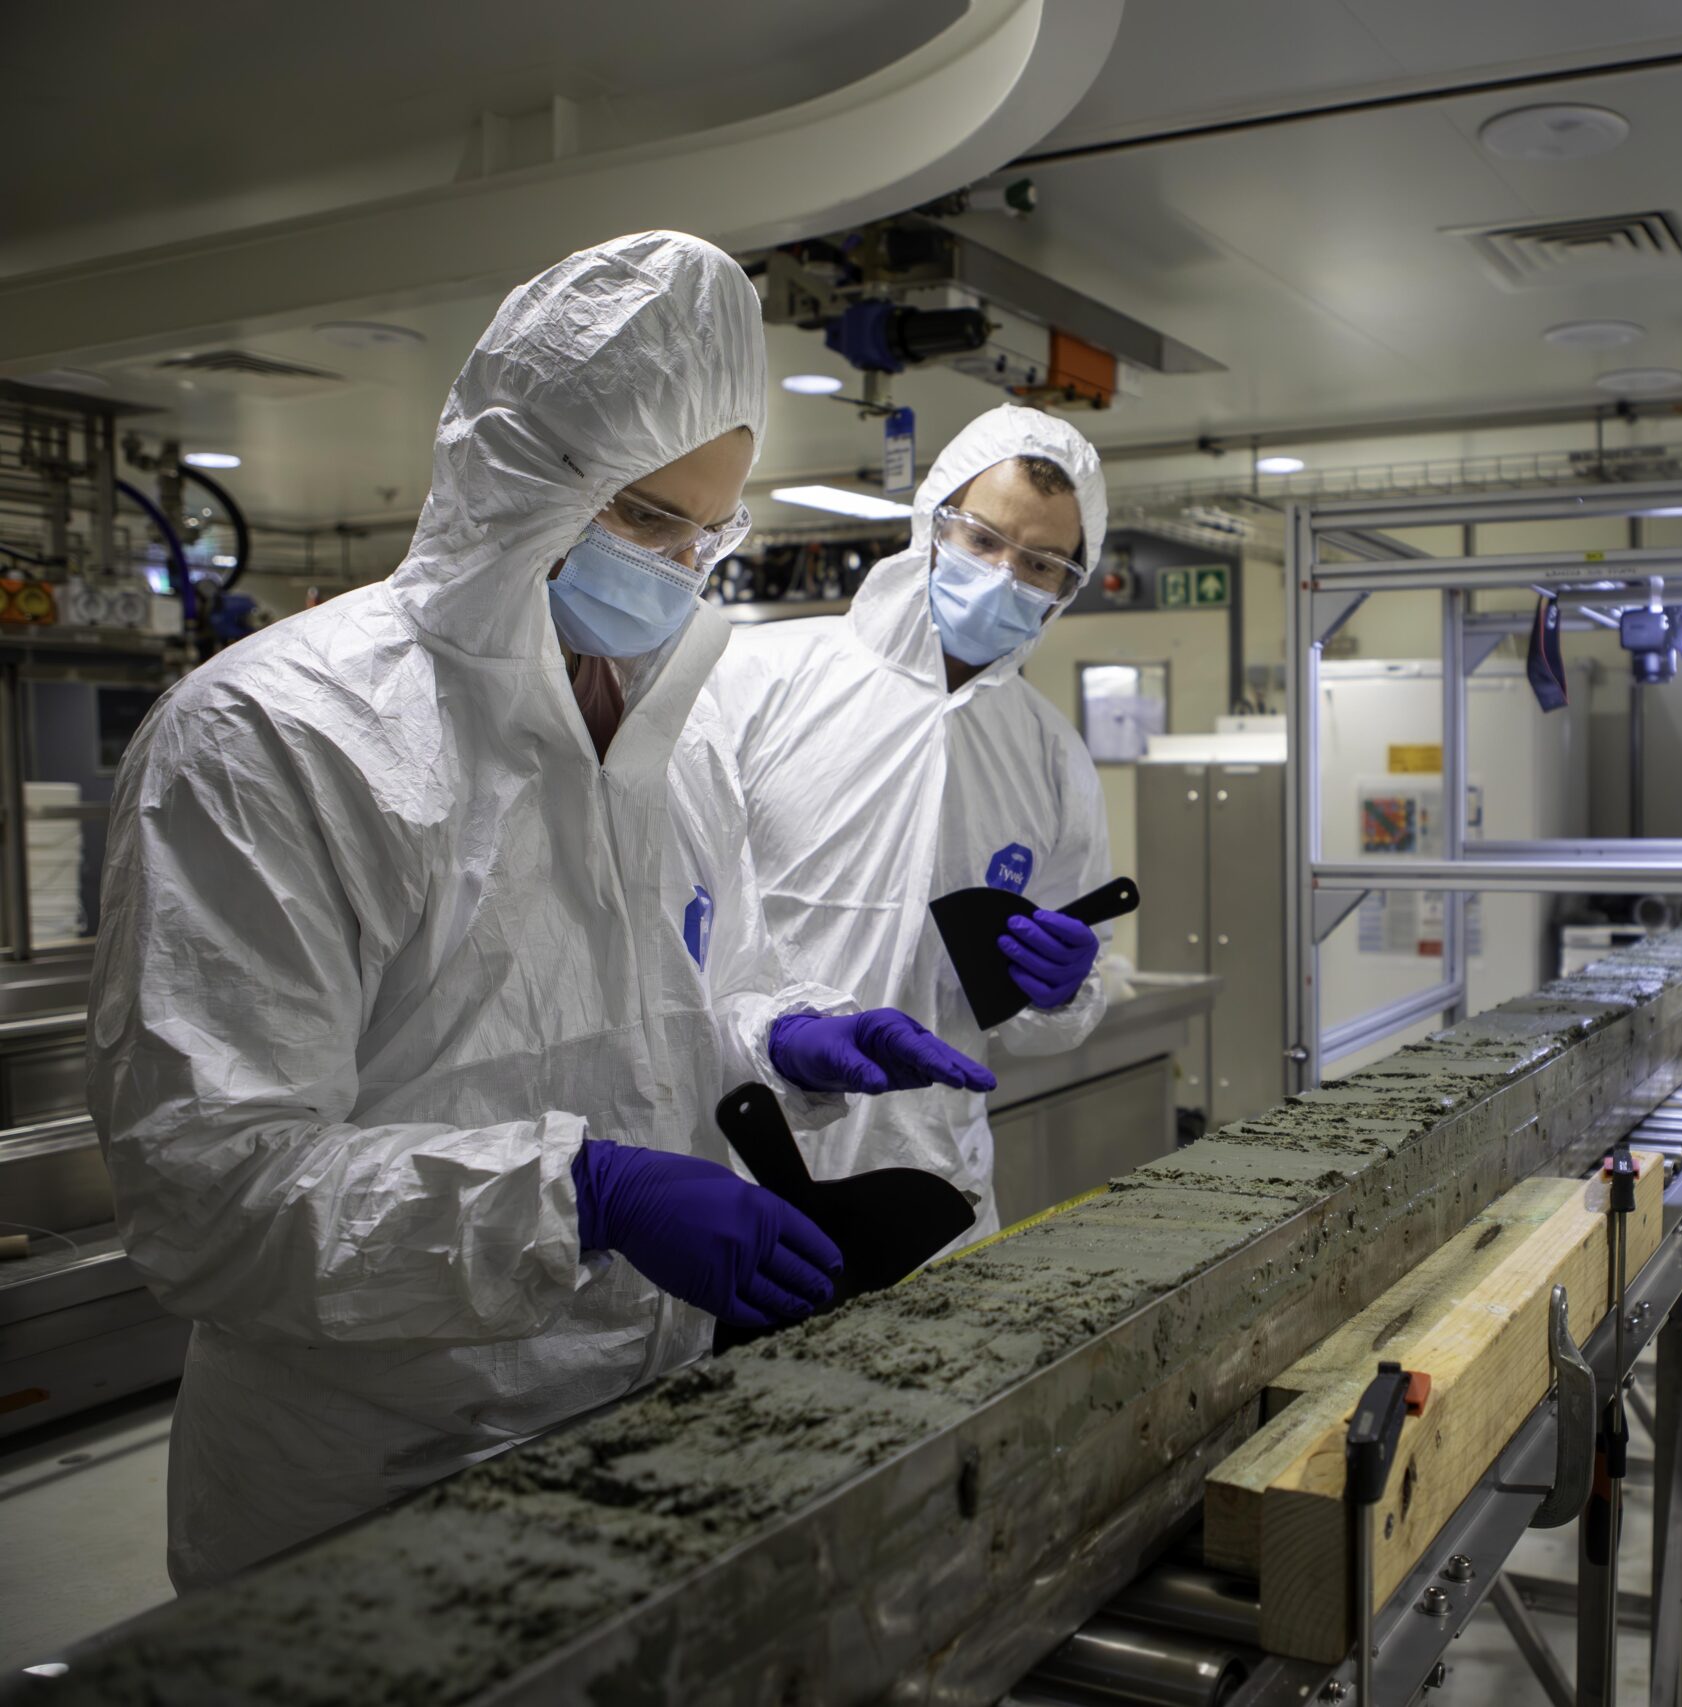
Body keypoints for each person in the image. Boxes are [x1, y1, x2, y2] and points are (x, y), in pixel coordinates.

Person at [88, 231, 985, 1590]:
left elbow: (643, 1019)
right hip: (372, 1486)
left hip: (646, 1433)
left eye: (707, 529)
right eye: (642, 518)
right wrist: (583, 1195)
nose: (679, 565)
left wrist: (779, 1041)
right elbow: (218, 1194)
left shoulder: (670, 733)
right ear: (514, 478)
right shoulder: (277, 739)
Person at [706, 405, 1113, 1247]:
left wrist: (1064, 987)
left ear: (1068, 585)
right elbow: (666, 928)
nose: (1005, 575)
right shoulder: (762, 680)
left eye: (1040, 563)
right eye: (983, 539)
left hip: (934, 1184)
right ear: (933, 524)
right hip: (737, 1162)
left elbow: (1052, 1010)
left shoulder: (1047, 753)